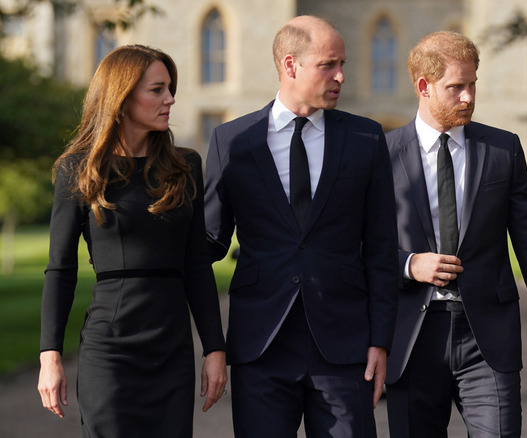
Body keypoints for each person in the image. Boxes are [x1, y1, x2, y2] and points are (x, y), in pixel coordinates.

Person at [203, 15, 398, 437]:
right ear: (290, 65)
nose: (341, 76)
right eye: (328, 65)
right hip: (261, 345)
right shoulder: (232, 141)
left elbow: (382, 249)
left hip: (344, 348)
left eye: (341, 63)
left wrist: (380, 340)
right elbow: (208, 243)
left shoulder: (366, 139)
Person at [384, 31, 527, 437]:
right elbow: (360, 245)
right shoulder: (382, 154)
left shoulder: (503, 149)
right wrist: (410, 264)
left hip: (486, 339)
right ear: (423, 86)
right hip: (412, 338)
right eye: (456, 87)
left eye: (472, 85)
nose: (468, 97)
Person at [37, 45, 228, 437]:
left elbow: (196, 265)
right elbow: (60, 268)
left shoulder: (186, 165)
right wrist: (49, 355)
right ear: (122, 99)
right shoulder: (78, 169)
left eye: (170, 88)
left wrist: (214, 349)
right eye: (157, 89)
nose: (170, 99)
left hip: (172, 349)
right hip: (110, 349)